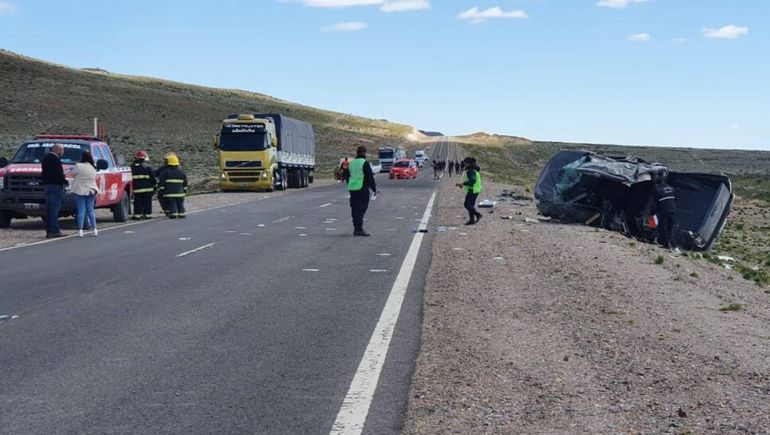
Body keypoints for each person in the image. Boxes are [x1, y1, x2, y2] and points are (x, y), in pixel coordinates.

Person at [348, 145, 377, 236]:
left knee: (355, 209)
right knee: (361, 209)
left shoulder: (351, 163)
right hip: (362, 188)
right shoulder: (364, 163)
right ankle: (359, 229)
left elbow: (348, 176)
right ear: (364, 153)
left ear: (357, 153)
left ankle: (356, 228)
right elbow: (369, 177)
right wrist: (374, 188)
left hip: (352, 189)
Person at [70, 151, 100, 237]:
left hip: (80, 190)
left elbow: (72, 174)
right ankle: (95, 229)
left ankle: (80, 230)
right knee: (90, 210)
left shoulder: (78, 166)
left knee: (81, 210)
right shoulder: (93, 167)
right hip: (91, 189)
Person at [41, 143, 67, 238]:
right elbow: (57, 174)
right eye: (62, 150)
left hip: (47, 185)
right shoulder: (55, 160)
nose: (63, 152)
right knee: (54, 209)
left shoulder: (45, 159)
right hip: (55, 186)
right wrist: (64, 181)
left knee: (49, 209)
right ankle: (54, 230)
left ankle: (49, 230)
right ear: (58, 150)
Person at [157, 154, 188, 219]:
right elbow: (185, 183)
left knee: (172, 204)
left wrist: (161, 190)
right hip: (180, 193)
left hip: (169, 193)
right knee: (180, 204)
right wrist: (184, 191)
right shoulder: (181, 172)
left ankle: (173, 214)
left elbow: (161, 182)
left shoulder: (165, 171)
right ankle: (181, 214)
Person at [653, 172, 677, 249]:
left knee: (662, 227)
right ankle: (672, 243)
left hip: (663, 211)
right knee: (670, 227)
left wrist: (653, 212)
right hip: (672, 210)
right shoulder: (671, 188)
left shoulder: (656, 190)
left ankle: (666, 244)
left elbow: (655, 203)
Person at [456, 157, 482, 225]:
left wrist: (463, 183)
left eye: (464, 162)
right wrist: (463, 185)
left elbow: (473, 180)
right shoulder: (474, 169)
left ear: (467, 163)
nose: (463, 163)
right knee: (471, 205)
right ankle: (472, 220)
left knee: (467, 204)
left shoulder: (470, 170)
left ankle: (477, 214)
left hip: (473, 190)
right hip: (475, 189)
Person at [131, 150, 157, 220]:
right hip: (148, 189)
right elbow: (153, 178)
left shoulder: (131, 167)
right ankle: (148, 215)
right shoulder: (148, 167)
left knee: (138, 202)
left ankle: (137, 215)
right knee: (147, 202)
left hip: (137, 189)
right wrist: (155, 186)